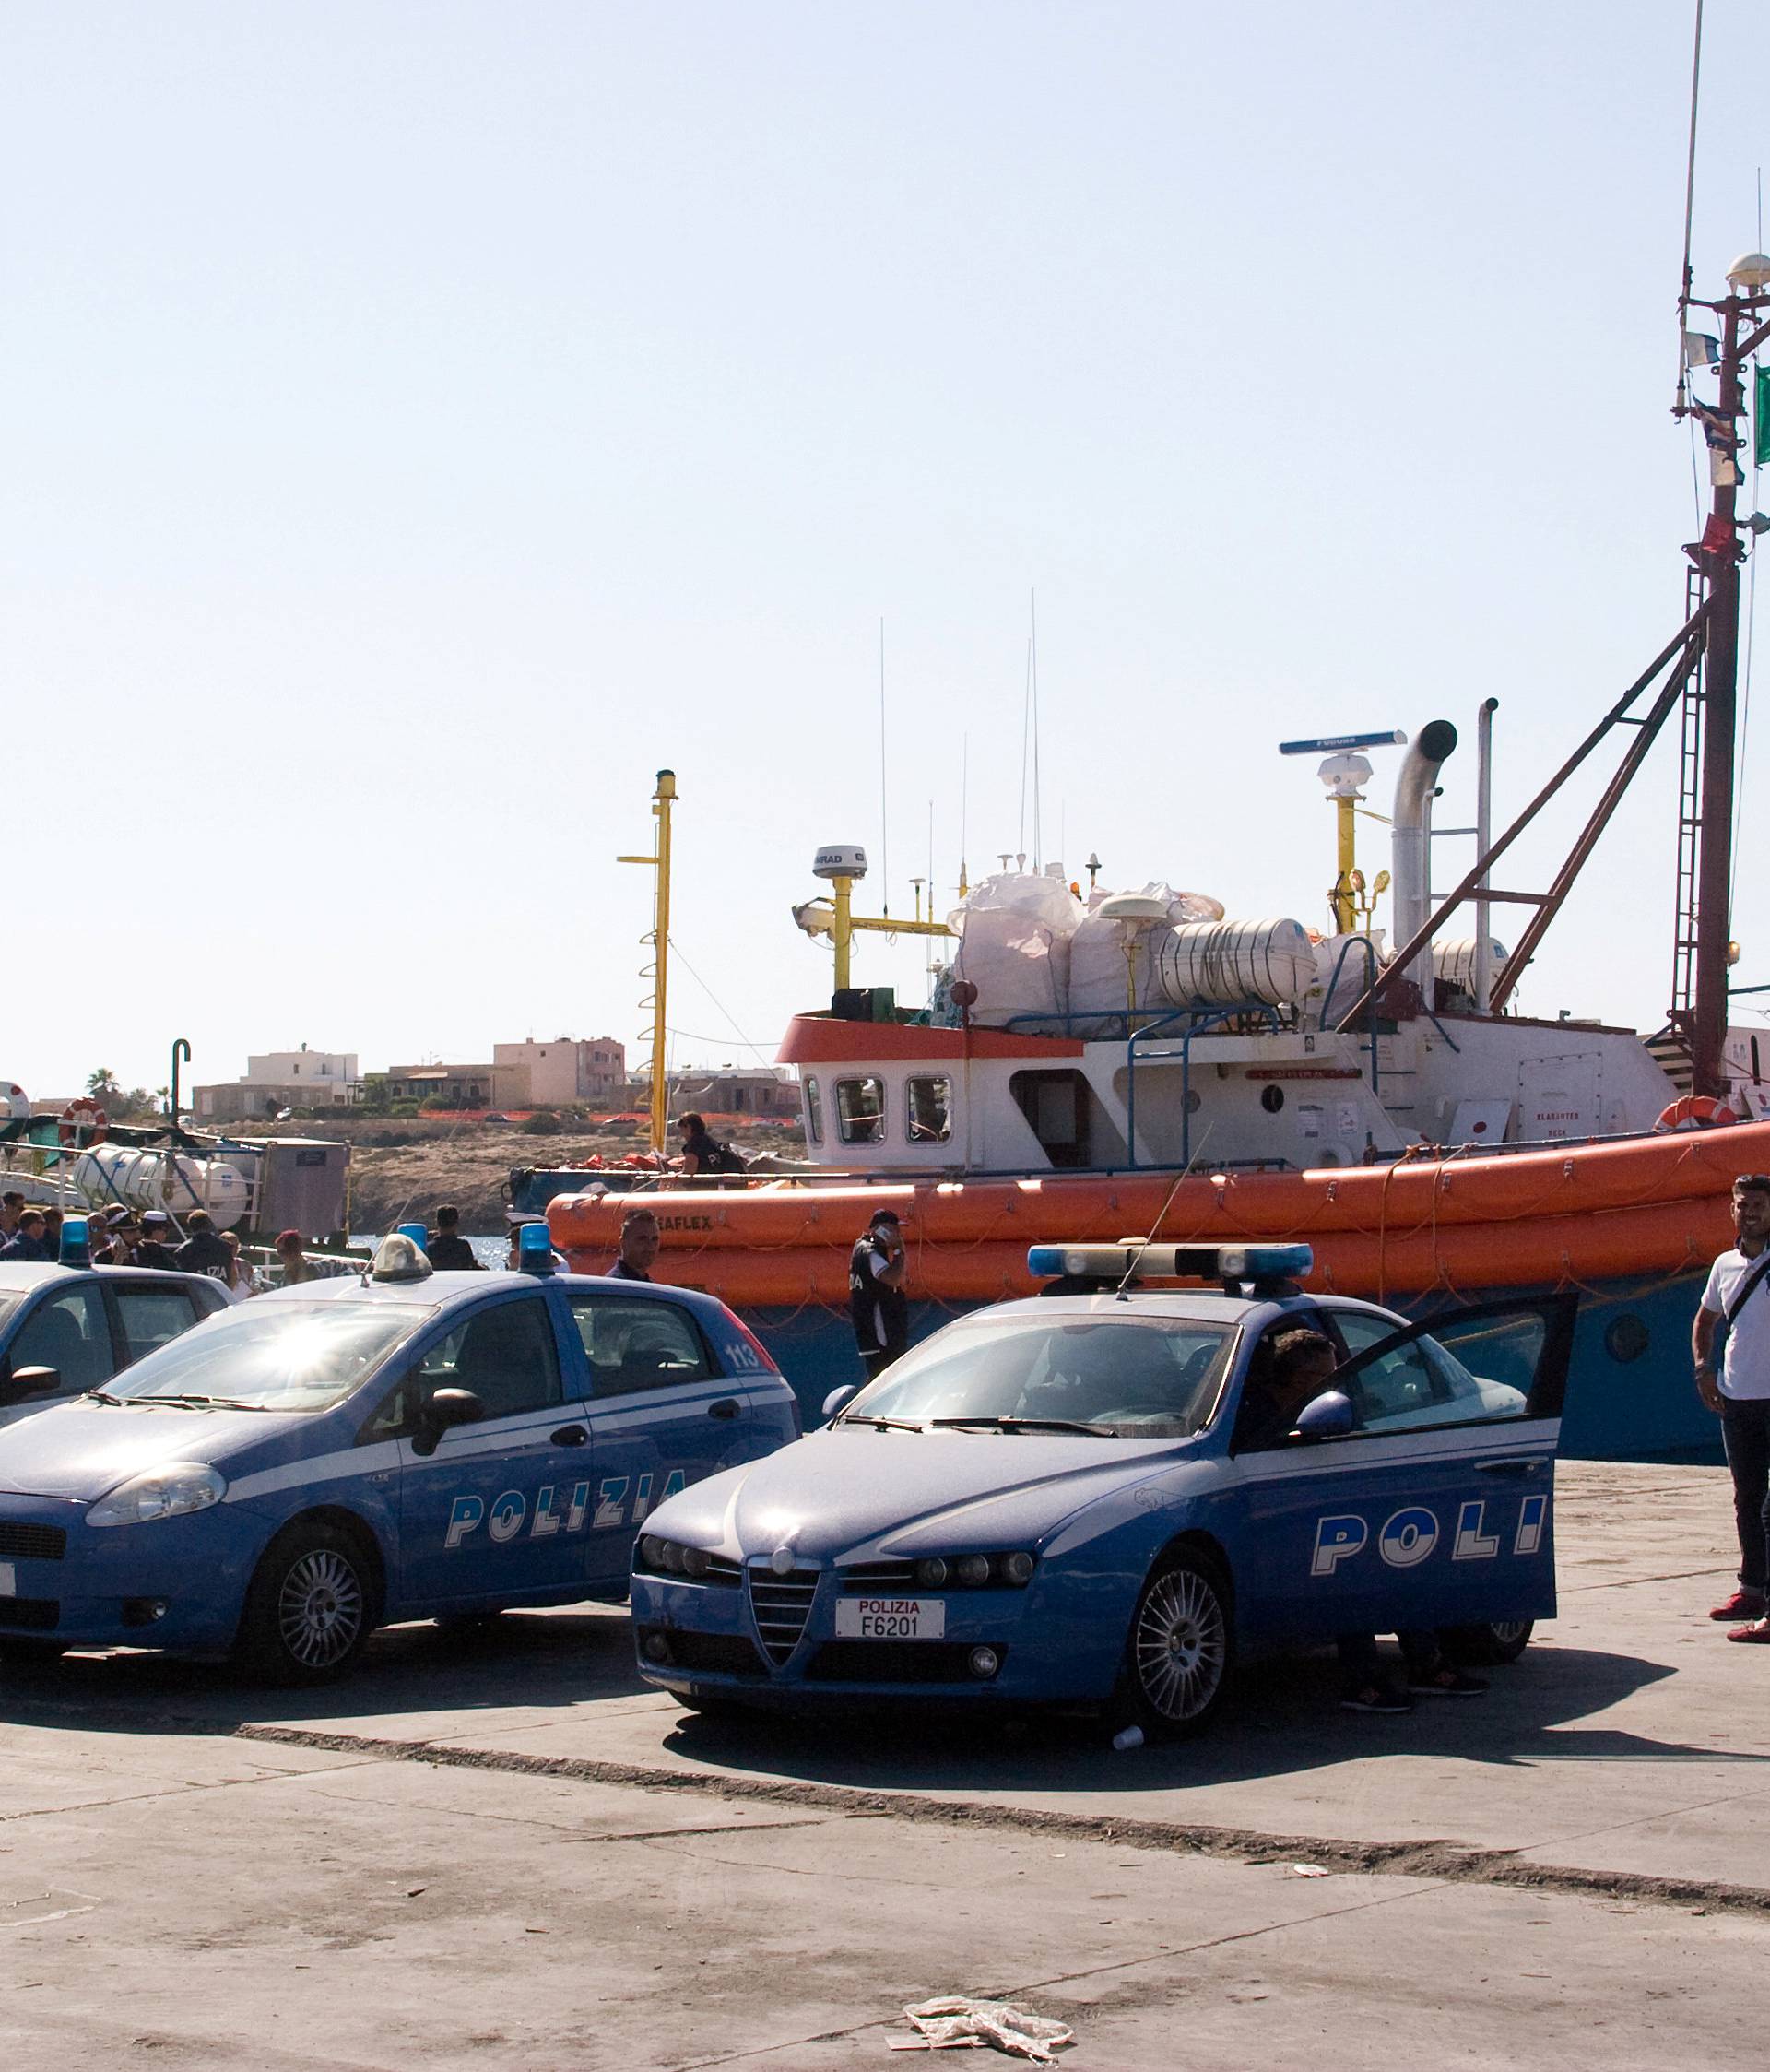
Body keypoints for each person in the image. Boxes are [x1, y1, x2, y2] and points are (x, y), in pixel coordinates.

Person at [1245, 1330, 1485, 1713]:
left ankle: (1427, 1663)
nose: (1332, 1384)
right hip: (1278, 1526)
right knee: (1353, 1572)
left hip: (1332, 1517)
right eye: (1320, 1375)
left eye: (1336, 1372)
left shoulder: (1338, 1407)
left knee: (1395, 1558)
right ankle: (1364, 1682)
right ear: (1288, 1376)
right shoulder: (1257, 1415)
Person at [1693, 1172, 1770, 1640]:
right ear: (1732, 1210)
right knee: (1747, 1499)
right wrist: (1703, 1370)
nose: (1750, 1212)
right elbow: (1705, 1320)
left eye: (1759, 1204)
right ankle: (1752, 1591)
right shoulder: (1723, 1265)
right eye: (1742, 1205)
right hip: (1739, 1398)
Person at [849, 1207, 909, 1380]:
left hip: (871, 1334)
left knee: (878, 1379)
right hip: (880, 1334)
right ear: (882, 1229)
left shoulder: (861, 1248)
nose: (898, 1234)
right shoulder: (870, 1252)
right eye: (894, 1230)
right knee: (886, 1379)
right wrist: (898, 1251)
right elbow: (892, 1279)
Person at [174, 1208, 233, 1285]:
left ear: (191, 1227)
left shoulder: (184, 1250)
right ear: (209, 1225)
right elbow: (233, 1274)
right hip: (221, 1293)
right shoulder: (226, 1247)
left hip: (197, 1294)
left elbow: (181, 1279)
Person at [677, 1113, 745, 1177]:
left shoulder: (694, 1145)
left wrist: (673, 1179)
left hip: (705, 1186)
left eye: (681, 1130)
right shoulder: (709, 1141)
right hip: (723, 1184)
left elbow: (688, 1173)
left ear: (688, 1128)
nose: (682, 1135)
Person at [608, 1205, 660, 1281]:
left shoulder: (648, 1285)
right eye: (642, 1239)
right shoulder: (614, 1286)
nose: (650, 1246)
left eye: (654, 1239)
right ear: (623, 1243)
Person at [427, 1204, 481, 1272]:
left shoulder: (430, 1248)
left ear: (437, 1223)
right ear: (456, 1224)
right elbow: (473, 1267)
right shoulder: (463, 1246)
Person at [218, 1228, 254, 1302]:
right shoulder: (218, 1264)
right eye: (230, 1246)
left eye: (236, 1246)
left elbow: (252, 1284)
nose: (233, 1249)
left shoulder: (245, 1264)